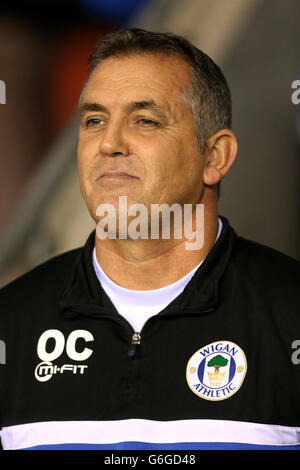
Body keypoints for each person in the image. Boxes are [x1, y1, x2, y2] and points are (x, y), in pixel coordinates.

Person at [0, 28, 299, 451]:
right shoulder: (9, 326)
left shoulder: (289, 316)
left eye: (145, 120)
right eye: (94, 120)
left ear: (214, 157)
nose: (109, 143)